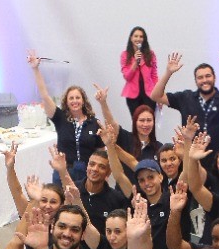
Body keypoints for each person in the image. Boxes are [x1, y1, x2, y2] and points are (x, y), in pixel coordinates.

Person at [150, 49, 219, 152]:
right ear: (196, 81)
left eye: (208, 76)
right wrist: (168, 73)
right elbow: (156, 96)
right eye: (200, 77)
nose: (204, 80)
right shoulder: (185, 97)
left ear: (214, 78)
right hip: (190, 157)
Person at [28, 51, 102, 181]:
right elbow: (44, 95)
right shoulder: (60, 118)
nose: (74, 101)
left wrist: (103, 175)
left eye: (77, 98)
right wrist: (35, 69)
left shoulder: (94, 123)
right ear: (66, 102)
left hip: (88, 174)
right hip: (64, 172)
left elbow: (101, 151)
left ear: (83, 100)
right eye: (71, 98)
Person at [120, 26, 159, 120]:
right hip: (132, 95)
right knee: (136, 122)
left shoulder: (150, 54)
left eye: (141, 36)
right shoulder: (125, 55)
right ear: (131, 38)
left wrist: (159, 94)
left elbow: (154, 76)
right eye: (136, 36)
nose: (138, 39)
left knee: (149, 121)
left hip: (150, 94)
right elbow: (127, 77)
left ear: (144, 39)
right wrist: (135, 63)